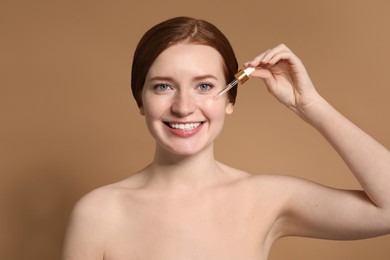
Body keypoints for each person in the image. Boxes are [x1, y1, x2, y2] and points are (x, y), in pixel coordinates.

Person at [62, 16, 390, 260]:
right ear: (140, 100)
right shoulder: (99, 213)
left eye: (204, 86)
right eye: (163, 86)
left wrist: (310, 105)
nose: (183, 107)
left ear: (230, 99)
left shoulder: (267, 198)